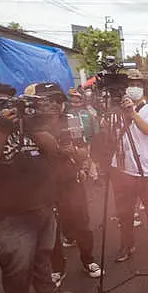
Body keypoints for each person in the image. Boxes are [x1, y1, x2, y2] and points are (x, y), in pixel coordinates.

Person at [0, 82, 76, 293]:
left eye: (13, 102)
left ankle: (47, 292)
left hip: (41, 202)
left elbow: (52, 150)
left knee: (44, 255)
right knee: (17, 264)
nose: (11, 108)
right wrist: (0, 129)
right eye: (4, 103)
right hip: (5, 212)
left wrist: (31, 124)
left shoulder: (26, 124)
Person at [42, 84, 103, 282]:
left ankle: (88, 260)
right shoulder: (32, 125)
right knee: (51, 229)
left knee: (82, 224)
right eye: (48, 100)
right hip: (44, 185)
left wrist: (73, 154)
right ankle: (57, 267)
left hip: (71, 182)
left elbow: (84, 152)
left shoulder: (71, 120)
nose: (53, 105)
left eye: (57, 100)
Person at [110, 69, 148, 261]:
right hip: (122, 168)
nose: (133, 88)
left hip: (146, 169)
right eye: (130, 84)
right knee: (124, 212)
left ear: (143, 88)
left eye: (138, 84)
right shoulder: (116, 112)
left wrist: (132, 113)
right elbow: (110, 136)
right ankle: (126, 244)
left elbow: (147, 129)